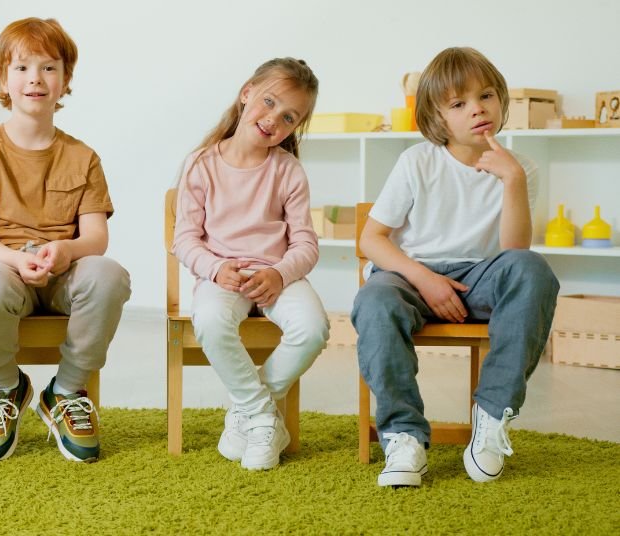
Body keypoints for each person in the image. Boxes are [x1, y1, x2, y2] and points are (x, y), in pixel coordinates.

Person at [351, 47, 560, 487]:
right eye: (458, 103)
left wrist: (513, 180)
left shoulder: (522, 168)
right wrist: (426, 280)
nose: (478, 109)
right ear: (437, 117)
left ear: (501, 100)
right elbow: (371, 239)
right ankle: (402, 436)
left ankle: (490, 417)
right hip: (411, 275)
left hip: (481, 278)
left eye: (486, 95)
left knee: (533, 269)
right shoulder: (417, 161)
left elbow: (514, 251)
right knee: (374, 300)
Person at [0, 17, 130, 463]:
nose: (35, 79)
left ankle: (66, 391)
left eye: (49, 68)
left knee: (110, 276)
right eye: (22, 68)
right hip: (4, 268)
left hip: (64, 273)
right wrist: (14, 259)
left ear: (65, 80)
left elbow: (96, 237)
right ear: (3, 79)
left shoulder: (83, 156)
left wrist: (66, 250)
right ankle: (6, 387)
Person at [172, 58, 329, 471]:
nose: (273, 118)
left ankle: (245, 411)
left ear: (295, 127)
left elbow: (306, 244)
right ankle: (262, 417)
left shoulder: (288, 171)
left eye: (288, 116)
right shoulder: (201, 164)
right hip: (222, 274)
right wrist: (213, 268)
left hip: (277, 274)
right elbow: (184, 240)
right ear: (247, 93)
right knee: (209, 320)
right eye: (269, 102)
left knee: (313, 328)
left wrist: (279, 273)